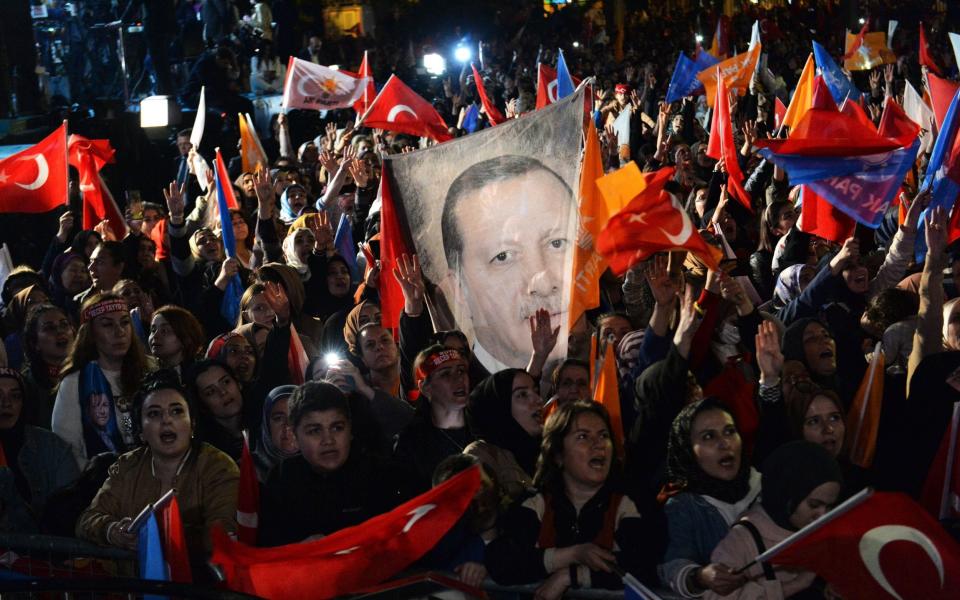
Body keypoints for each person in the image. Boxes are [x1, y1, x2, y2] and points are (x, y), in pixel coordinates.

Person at [486, 401, 663, 594]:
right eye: (583, 437)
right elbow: (501, 561)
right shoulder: (536, 502)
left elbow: (645, 565)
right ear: (558, 454)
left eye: (604, 435)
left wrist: (572, 576)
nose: (598, 445)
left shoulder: (633, 501)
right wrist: (572, 555)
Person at [76, 372, 239, 573]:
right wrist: (113, 531)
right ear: (141, 432)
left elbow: (221, 532)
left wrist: (155, 536)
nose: (166, 421)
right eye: (154, 414)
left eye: (177, 411)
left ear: (193, 424)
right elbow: (87, 520)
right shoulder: (127, 466)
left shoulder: (218, 467)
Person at [440, 155, 577, 370]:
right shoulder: (464, 397)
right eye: (503, 256)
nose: (542, 284)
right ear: (459, 288)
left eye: (557, 243)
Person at [258, 381, 413, 546]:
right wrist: (298, 549)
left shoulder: (381, 475)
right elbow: (268, 550)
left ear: (350, 430)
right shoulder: (281, 479)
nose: (328, 440)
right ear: (295, 436)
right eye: (315, 430)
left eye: (337, 428)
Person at [706, 441, 842, 600]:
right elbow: (714, 596)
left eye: (830, 506)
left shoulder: (820, 533)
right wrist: (796, 585)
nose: (823, 516)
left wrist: (828, 586)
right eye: (814, 505)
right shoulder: (742, 540)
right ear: (785, 495)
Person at [660, 397, 761, 598]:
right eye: (708, 437)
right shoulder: (683, 506)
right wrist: (700, 576)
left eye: (730, 432)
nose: (724, 444)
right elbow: (672, 565)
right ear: (689, 450)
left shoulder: (767, 488)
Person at [52, 294, 152, 468]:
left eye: (125, 322)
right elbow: (67, 450)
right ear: (90, 333)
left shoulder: (152, 369)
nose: (119, 332)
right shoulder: (75, 383)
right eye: (107, 325)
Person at [0, 368, 79, 533]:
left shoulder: (51, 447)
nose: (6, 403)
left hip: (42, 555)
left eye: (15, 396)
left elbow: (70, 508)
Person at [394, 346, 474, 490]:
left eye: (461, 371)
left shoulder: (485, 426)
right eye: (445, 374)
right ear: (425, 388)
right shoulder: (412, 444)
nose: (459, 378)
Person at [465, 368, 542, 501]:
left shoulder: (549, 451)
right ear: (501, 407)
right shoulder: (481, 455)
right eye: (522, 394)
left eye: (536, 391)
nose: (539, 400)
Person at [20, 304, 75, 428]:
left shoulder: (90, 370)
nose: (60, 331)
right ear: (35, 343)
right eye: (50, 328)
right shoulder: (27, 385)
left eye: (64, 324)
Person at [252, 384, 299, 481]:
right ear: (267, 425)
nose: (287, 426)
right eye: (279, 418)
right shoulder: (248, 470)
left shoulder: (322, 464)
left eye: (294, 417)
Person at [148, 305, 206, 373]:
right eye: (153, 330)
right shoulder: (147, 374)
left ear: (186, 337)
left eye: (165, 331)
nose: (155, 336)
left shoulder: (202, 375)